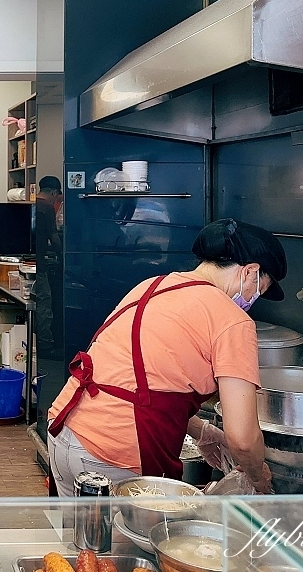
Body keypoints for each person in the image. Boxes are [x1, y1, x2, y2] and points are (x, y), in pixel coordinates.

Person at [46, 218, 286, 496]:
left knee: (85, 538)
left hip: (65, 436)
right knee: (136, 540)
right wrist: (258, 481)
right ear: (250, 272)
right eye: (262, 289)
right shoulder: (232, 320)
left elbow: (142, 383)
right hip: (115, 457)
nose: (254, 299)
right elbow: (243, 439)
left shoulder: (154, 286)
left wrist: (203, 432)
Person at [34, 176, 63, 353]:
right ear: (53, 193)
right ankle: (45, 345)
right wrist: (62, 254)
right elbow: (53, 237)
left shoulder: (29, 203)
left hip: (27, 260)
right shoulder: (46, 207)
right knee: (44, 302)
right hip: (39, 264)